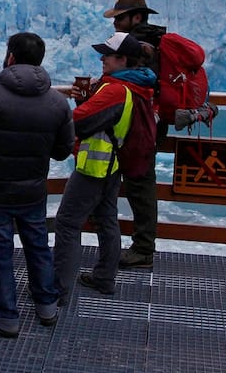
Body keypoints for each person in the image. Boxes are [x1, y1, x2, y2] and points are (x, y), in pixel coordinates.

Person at [0, 32, 74, 338]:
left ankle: (6, 316)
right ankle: (47, 306)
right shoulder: (58, 102)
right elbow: (62, 150)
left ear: (11, 58)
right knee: (38, 246)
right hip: (33, 189)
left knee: (0, 252)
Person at [54, 32, 157, 300]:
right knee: (106, 218)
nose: (102, 58)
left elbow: (79, 120)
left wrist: (52, 110)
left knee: (67, 223)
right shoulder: (135, 86)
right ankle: (104, 278)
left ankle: (57, 288)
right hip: (114, 164)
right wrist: (85, 98)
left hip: (95, 166)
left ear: (123, 59)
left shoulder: (115, 90)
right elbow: (102, 118)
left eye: (107, 55)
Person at [104, 0, 167, 270]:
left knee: (141, 186)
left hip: (141, 126)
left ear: (137, 17)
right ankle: (121, 244)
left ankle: (143, 249)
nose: (115, 22)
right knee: (131, 183)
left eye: (120, 17)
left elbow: (138, 83)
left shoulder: (143, 47)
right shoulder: (148, 42)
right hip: (138, 123)